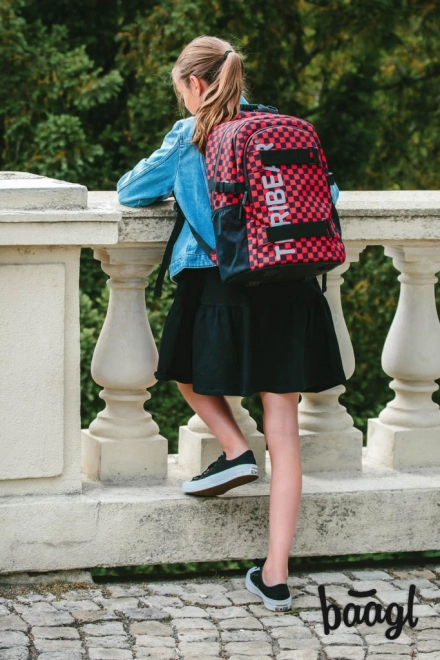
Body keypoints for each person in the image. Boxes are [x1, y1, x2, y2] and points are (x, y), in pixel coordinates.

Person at [117, 35, 347, 612]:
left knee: (181, 371)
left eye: (182, 90)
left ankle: (235, 450)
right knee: (285, 433)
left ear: (195, 84)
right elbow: (330, 193)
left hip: (219, 284)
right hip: (290, 285)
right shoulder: (278, 128)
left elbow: (130, 191)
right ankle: (276, 574)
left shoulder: (189, 135)